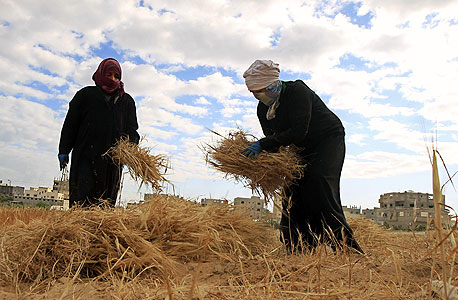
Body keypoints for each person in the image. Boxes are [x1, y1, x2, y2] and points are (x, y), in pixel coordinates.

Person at [241, 59, 363, 253]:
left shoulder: (297, 91)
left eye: (260, 90)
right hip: (301, 147)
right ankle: (299, 248)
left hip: (327, 139)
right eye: (253, 92)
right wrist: (260, 159)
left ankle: (346, 248)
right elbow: (274, 139)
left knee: (318, 181)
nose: (257, 95)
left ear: (273, 84)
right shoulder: (263, 109)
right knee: (292, 191)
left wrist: (262, 145)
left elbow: (298, 132)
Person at [58, 58, 140, 208]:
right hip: (85, 158)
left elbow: (132, 130)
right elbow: (70, 125)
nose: (112, 79)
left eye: (116, 76)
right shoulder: (85, 96)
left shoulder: (126, 101)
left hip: (112, 162)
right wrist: (64, 150)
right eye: (109, 75)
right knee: (82, 203)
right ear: (101, 73)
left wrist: (132, 145)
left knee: (105, 205)